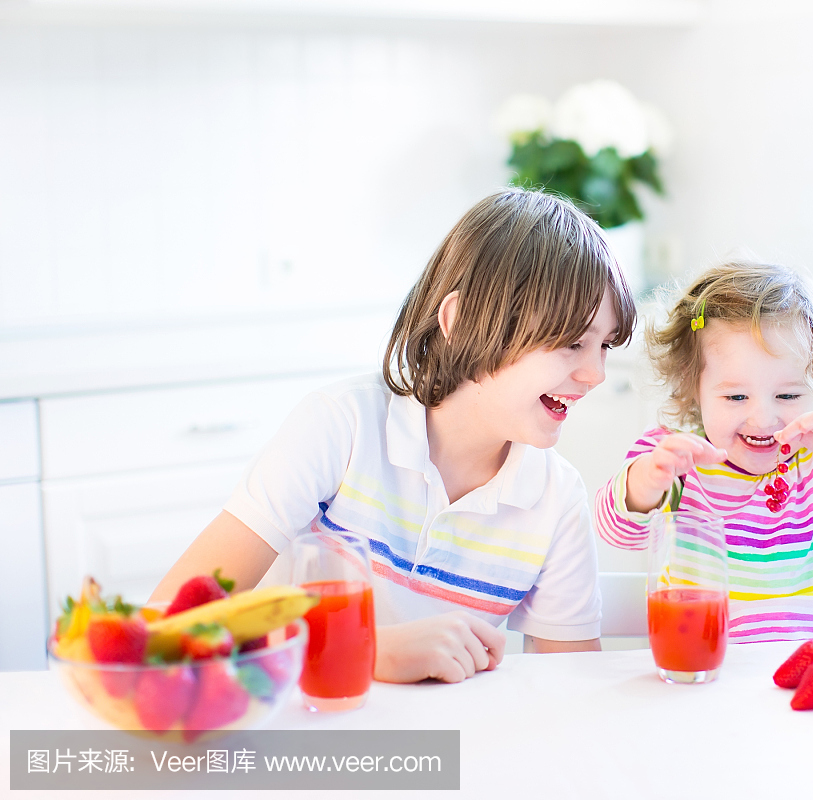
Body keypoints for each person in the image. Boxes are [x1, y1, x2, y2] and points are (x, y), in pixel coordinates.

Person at [151, 188, 637, 682]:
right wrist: (365, 651)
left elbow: (571, 694)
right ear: (462, 320)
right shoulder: (341, 426)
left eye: (605, 345)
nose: (595, 374)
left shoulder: (557, 497)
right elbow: (172, 623)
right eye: (572, 343)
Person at [594, 260, 813, 643]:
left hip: (811, 668)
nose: (763, 418)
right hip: (704, 673)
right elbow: (617, 534)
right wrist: (645, 481)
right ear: (692, 386)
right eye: (735, 396)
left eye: (787, 395)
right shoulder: (675, 458)